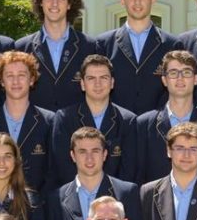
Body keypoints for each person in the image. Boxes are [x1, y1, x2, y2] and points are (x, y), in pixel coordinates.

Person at [46, 127, 142, 220]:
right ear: (72, 155)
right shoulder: (56, 199)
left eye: (95, 151)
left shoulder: (127, 193)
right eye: (82, 152)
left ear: (104, 155)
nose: (89, 158)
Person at [0, 51, 56, 195]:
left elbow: (53, 173)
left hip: (36, 208)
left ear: (32, 79)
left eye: (21, 75)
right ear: (1, 81)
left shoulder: (49, 122)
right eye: (9, 76)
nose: (16, 81)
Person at [95, 0, 178, 114]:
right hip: (117, 128)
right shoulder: (104, 43)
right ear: (122, 1)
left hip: (158, 127)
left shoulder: (172, 44)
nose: (137, 2)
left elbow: (177, 89)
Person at [134, 50, 197, 183]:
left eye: (186, 72)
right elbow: (138, 175)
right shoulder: (144, 124)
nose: (180, 78)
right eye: (173, 73)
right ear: (164, 80)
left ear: (196, 79)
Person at [50, 54, 138, 183]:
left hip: (114, 198)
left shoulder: (127, 121)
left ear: (112, 83)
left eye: (104, 78)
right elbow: (63, 166)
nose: (98, 83)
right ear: (82, 84)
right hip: (75, 196)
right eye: (91, 78)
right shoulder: (64, 118)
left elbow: (128, 170)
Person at [15, 0, 93, 112]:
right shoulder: (21, 48)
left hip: (77, 129)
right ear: (40, 1)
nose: (54, 3)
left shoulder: (89, 46)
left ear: (70, 4)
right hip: (36, 129)